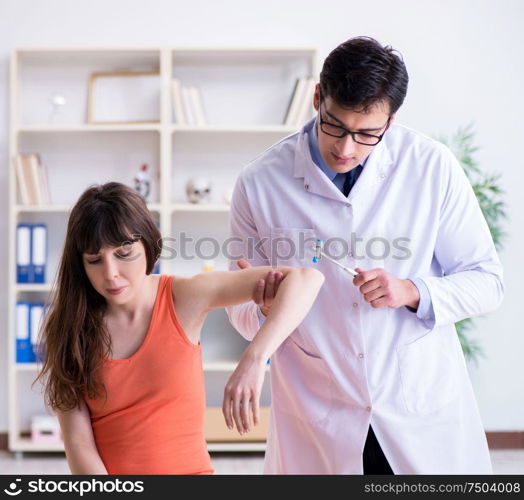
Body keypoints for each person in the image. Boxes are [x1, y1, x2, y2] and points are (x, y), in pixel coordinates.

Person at [226, 36, 504, 474]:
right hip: (318, 409)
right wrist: (263, 308)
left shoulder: (431, 166)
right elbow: (240, 313)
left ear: (390, 121)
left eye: (366, 134)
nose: (346, 148)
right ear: (318, 98)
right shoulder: (259, 182)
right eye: (334, 125)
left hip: (416, 403)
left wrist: (412, 290)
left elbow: (488, 282)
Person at [34, 182, 324, 475]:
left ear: (148, 245)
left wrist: (255, 358)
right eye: (95, 260)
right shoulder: (67, 326)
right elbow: (79, 443)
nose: (110, 274)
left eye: (124, 254)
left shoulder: (183, 297)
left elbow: (306, 279)